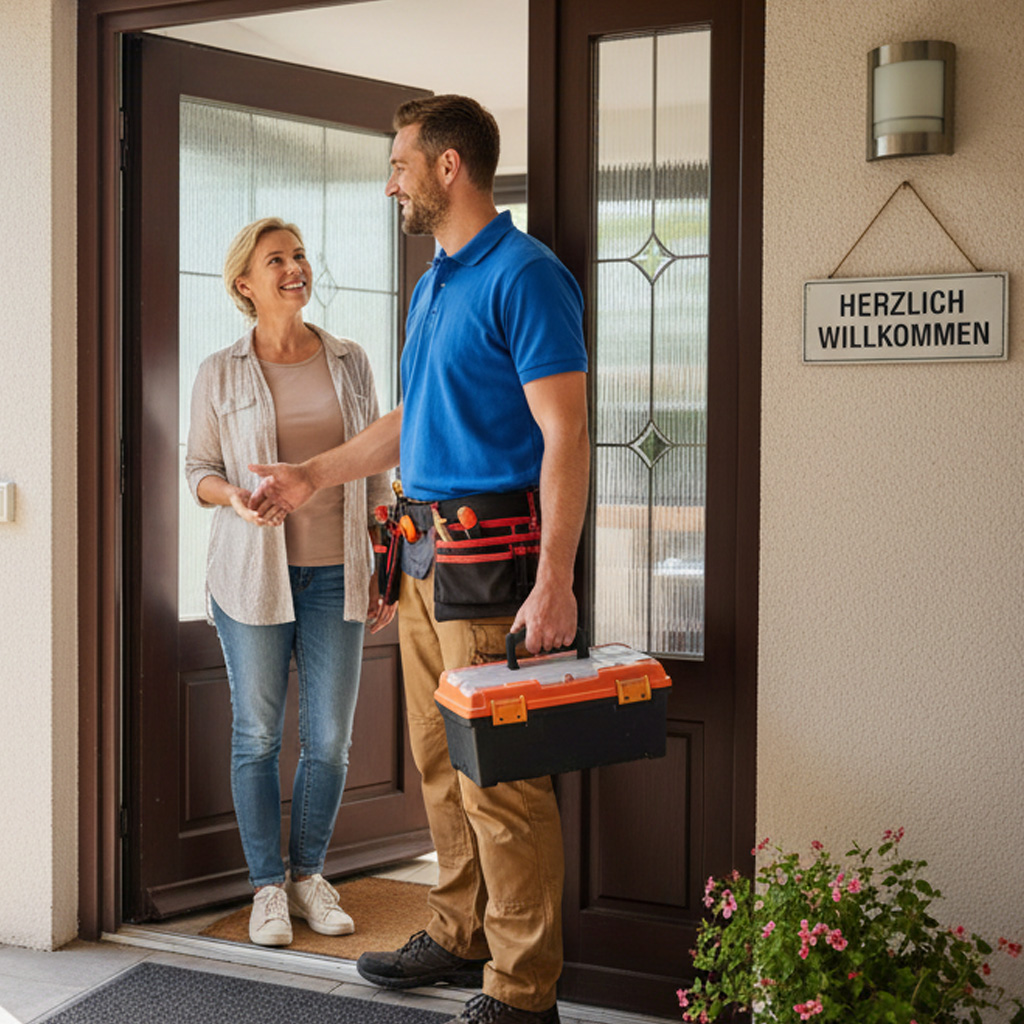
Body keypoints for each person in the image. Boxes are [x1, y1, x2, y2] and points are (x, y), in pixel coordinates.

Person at [248, 97, 588, 1024]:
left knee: (503, 785)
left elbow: (567, 435)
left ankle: (523, 996)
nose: (390, 178)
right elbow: (411, 424)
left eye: (400, 162)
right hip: (428, 558)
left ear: (447, 168)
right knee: (441, 764)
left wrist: (554, 577)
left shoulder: (527, 277)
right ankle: (459, 931)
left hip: (497, 566)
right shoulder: (433, 283)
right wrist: (312, 475)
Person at [185, 217, 392, 947]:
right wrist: (233, 498)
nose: (295, 268)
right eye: (277, 260)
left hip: (338, 573)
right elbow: (197, 472)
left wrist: (386, 563)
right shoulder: (220, 371)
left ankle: (309, 876)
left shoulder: (349, 360)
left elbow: (378, 469)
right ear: (246, 283)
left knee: (330, 740)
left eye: (300, 256)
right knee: (257, 735)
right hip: (250, 579)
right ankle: (266, 888)